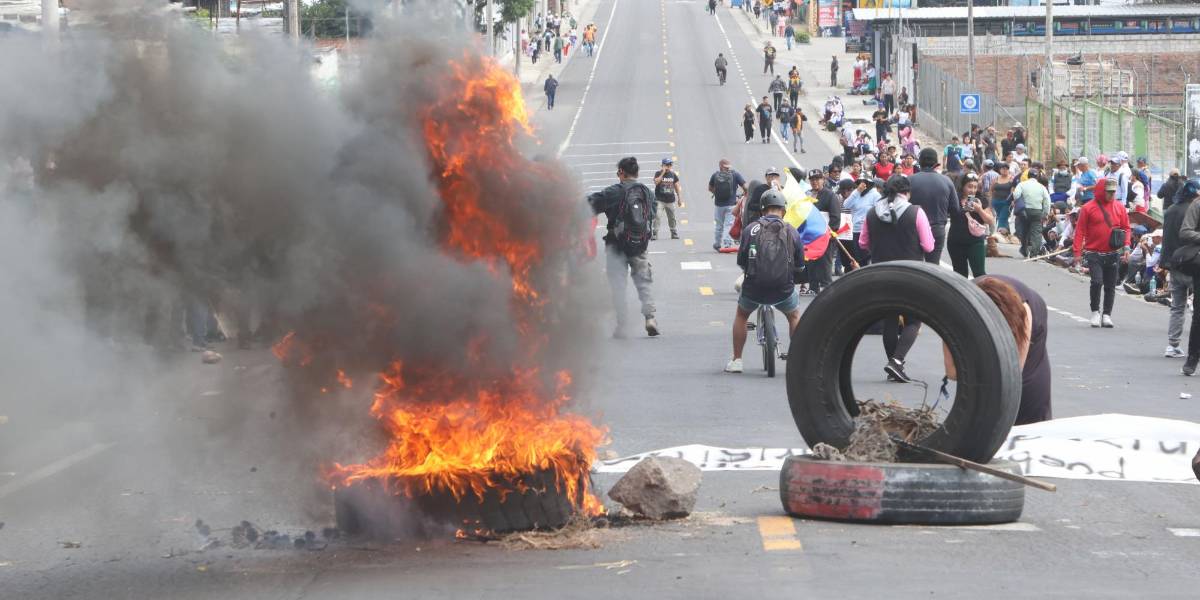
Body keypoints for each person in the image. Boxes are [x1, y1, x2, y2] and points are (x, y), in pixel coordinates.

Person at [942, 276, 1051, 424]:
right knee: (980, 403)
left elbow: (1013, 374)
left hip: (1027, 316)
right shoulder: (954, 310)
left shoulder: (1022, 311)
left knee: (1024, 391)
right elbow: (952, 372)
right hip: (974, 309)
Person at [859, 175, 935, 382]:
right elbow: (929, 246)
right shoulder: (915, 212)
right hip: (911, 273)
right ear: (907, 192)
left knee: (890, 320)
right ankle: (897, 361)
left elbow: (863, 243)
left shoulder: (872, 213)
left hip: (882, 273)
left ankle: (894, 365)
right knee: (914, 320)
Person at [725, 190, 805, 373]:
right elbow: (800, 265)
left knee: (742, 315)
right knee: (794, 316)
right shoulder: (791, 231)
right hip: (783, 289)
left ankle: (737, 360)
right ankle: (799, 361)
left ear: (762, 210)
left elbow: (741, 261)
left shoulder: (751, 229)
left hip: (754, 288)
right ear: (783, 210)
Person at [587, 157, 659, 338]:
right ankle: (650, 318)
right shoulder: (647, 192)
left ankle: (622, 325)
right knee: (643, 281)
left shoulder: (614, 191)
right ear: (637, 172)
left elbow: (589, 205)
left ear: (621, 172)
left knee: (618, 285)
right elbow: (652, 214)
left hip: (616, 245)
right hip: (639, 244)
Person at [1073, 177, 1132, 329]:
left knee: (1110, 285)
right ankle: (1095, 312)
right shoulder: (1087, 208)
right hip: (1093, 253)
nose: (1111, 194)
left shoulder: (1119, 207)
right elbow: (1079, 231)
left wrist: (1127, 246)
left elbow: (1126, 228)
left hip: (1113, 253)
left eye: (1113, 192)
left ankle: (1107, 315)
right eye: (1108, 192)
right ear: (1100, 191)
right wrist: (1077, 253)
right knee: (1097, 282)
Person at [1163, 180, 1200, 363]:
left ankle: (1173, 344)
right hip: (1192, 262)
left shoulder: (1170, 210)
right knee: (1196, 309)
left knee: (1177, 306)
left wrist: (1165, 263)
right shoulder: (1193, 210)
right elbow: (1187, 235)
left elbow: (1166, 240)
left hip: (1175, 263)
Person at [908, 147, 958, 263]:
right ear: (936, 163)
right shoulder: (946, 181)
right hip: (937, 228)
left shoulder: (909, 180)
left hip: (913, 228)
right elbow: (955, 209)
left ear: (920, 161)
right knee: (933, 266)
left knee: (913, 265)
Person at [947, 172, 995, 278]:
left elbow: (990, 221)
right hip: (956, 242)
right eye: (969, 186)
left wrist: (979, 210)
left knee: (979, 273)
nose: (972, 190)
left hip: (975, 242)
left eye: (975, 187)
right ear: (963, 186)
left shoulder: (980, 199)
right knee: (959, 274)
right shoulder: (955, 198)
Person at [808, 169, 842, 294]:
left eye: (817, 179)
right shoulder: (807, 195)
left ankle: (828, 290)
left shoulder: (830, 195)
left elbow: (835, 217)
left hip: (825, 237)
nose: (815, 182)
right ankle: (813, 288)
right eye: (812, 180)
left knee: (825, 264)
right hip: (811, 236)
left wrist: (828, 234)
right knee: (811, 264)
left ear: (823, 180)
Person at [708, 159, 749, 250]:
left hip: (718, 205)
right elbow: (746, 187)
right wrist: (745, 194)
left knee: (719, 225)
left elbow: (710, 188)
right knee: (728, 224)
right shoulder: (735, 174)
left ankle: (717, 243)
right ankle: (727, 244)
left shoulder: (715, 175)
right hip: (731, 205)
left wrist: (717, 193)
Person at [843, 176, 881, 266]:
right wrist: (857, 191)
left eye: (865, 183)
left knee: (869, 257)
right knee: (859, 257)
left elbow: (879, 211)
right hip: (856, 230)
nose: (863, 185)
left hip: (869, 231)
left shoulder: (875, 195)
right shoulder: (856, 194)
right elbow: (846, 205)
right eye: (860, 182)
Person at [1013, 169, 1051, 257]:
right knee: (1036, 233)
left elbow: (1016, 195)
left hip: (1024, 211)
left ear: (1028, 176)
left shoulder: (1021, 184)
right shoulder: (1042, 187)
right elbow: (1047, 201)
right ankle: (1034, 253)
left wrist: (1020, 202)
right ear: (1037, 177)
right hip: (1037, 211)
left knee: (1024, 230)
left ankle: (1024, 249)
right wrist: (1045, 214)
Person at [652, 158, 682, 240]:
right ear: (662, 165)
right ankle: (655, 233)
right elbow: (656, 182)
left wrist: (679, 198)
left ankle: (673, 232)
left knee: (671, 217)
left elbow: (677, 187)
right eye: (667, 165)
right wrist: (663, 172)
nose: (669, 166)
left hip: (670, 200)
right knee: (657, 216)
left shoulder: (673, 175)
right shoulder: (658, 173)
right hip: (660, 200)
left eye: (670, 165)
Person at [990, 162, 1016, 238]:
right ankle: (1008, 234)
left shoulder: (1011, 179)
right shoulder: (996, 178)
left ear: (1008, 170)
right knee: (1001, 217)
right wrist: (991, 200)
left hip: (1007, 203)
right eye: (1003, 168)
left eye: (1006, 169)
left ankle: (998, 235)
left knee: (1002, 218)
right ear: (1000, 170)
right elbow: (991, 190)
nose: (1004, 170)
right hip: (996, 202)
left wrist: (1013, 201)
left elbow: (1013, 192)